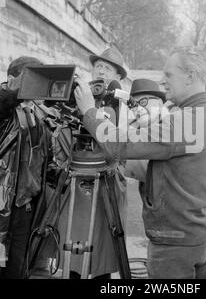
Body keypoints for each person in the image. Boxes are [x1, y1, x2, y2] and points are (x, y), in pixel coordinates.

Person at [74, 45, 206, 279]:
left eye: (169, 74)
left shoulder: (185, 122)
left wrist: (89, 110)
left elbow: (118, 144)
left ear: (190, 76)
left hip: (175, 243)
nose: (162, 80)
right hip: (205, 236)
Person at [57, 47, 128, 279]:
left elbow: (120, 145)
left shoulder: (122, 103)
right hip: (76, 176)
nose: (101, 71)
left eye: (108, 68)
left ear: (118, 77)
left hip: (105, 180)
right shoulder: (81, 94)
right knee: (73, 241)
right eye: (98, 66)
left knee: (101, 244)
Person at [0, 56, 51, 279]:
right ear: (11, 79)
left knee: (17, 269)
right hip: (2, 202)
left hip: (24, 206)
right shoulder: (5, 103)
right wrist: (18, 92)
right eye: (30, 80)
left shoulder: (36, 112)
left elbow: (43, 154)